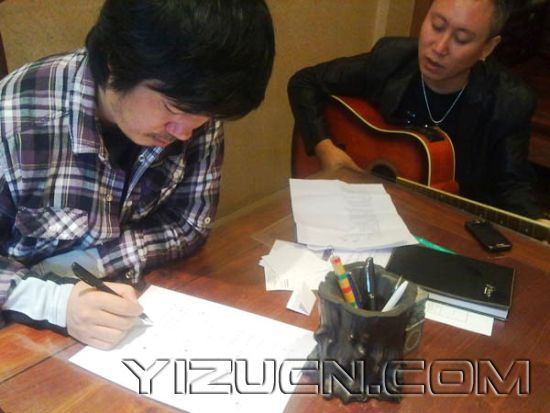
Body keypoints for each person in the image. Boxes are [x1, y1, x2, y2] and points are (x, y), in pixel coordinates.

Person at [0, 0, 275, 349]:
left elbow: (189, 223)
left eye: (204, 116)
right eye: (173, 108)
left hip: (134, 310)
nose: (185, 133)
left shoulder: (193, 110)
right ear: (116, 63)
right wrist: (53, 302)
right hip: (24, 338)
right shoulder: (15, 120)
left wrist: (94, 260)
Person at [288, 0, 546, 221]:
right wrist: (326, 149)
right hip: (366, 215)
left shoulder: (508, 101)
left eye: (461, 39)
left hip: (444, 223)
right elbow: (304, 82)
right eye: (437, 26)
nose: (439, 48)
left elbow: (512, 185)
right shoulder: (392, 60)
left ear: (487, 48)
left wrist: (537, 224)